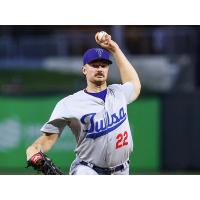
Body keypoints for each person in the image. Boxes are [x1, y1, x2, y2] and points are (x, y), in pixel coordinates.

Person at [26, 31, 141, 175]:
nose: (99, 68)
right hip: (87, 169)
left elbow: (135, 84)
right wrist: (33, 149)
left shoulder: (118, 93)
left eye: (103, 65)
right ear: (84, 70)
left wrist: (114, 48)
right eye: (94, 65)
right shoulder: (69, 103)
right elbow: (48, 140)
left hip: (122, 170)